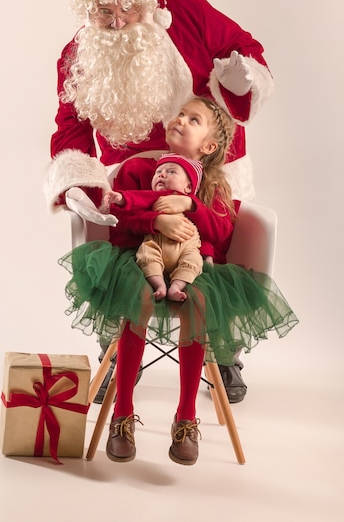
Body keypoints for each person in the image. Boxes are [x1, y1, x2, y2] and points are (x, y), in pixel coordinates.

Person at [46, 0, 276, 403]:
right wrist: (79, 181)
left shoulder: (188, 13)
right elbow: (69, 127)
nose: (116, 21)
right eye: (103, 11)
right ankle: (114, 345)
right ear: (87, 8)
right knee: (124, 257)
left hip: (210, 167)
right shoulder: (78, 56)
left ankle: (224, 352)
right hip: (131, 179)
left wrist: (240, 75)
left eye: (126, 7)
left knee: (214, 253)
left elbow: (244, 51)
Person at [58, 97, 298, 465]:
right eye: (180, 114)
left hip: (195, 267)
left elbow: (224, 230)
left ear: (209, 145)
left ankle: (186, 418)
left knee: (199, 304)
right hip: (138, 261)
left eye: (193, 119)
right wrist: (155, 221)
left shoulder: (215, 184)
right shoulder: (138, 168)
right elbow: (118, 222)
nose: (181, 120)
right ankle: (122, 415)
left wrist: (191, 207)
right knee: (136, 301)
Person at [102, 154, 206, 302]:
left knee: (194, 260)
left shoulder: (192, 202)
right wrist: (121, 198)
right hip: (156, 241)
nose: (162, 174)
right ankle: (159, 284)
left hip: (185, 245)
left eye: (171, 172)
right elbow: (138, 198)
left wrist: (209, 253)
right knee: (147, 254)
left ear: (188, 187)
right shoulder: (155, 196)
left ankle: (177, 286)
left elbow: (207, 222)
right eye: (158, 172)